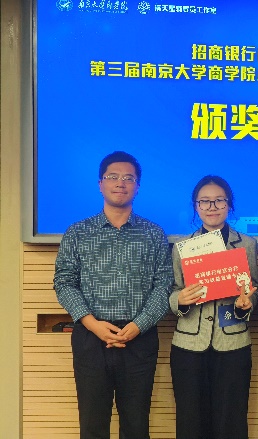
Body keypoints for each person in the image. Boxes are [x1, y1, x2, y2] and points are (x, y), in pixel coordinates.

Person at [54, 151, 174, 439]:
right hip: (91, 338)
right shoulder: (78, 232)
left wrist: (138, 326)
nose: (121, 183)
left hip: (139, 339)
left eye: (129, 178)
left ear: (137, 186)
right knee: (92, 425)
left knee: (136, 425)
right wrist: (92, 324)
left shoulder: (154, 234)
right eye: (113, 177)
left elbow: (164, 285)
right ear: (100, 184)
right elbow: (64, 282)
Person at [169, 175, 258, 439]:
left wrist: (246, 303)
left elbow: (253, 286)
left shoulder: (246, 244)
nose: (212, 207)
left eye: (219, 200)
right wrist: (180, 300)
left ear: (229, 204)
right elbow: (173, 290)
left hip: (232, 342)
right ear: (196, 206)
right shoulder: (182, 246)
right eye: (204, 201)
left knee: (231, 421)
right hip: (189, 343)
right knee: (190, 421)